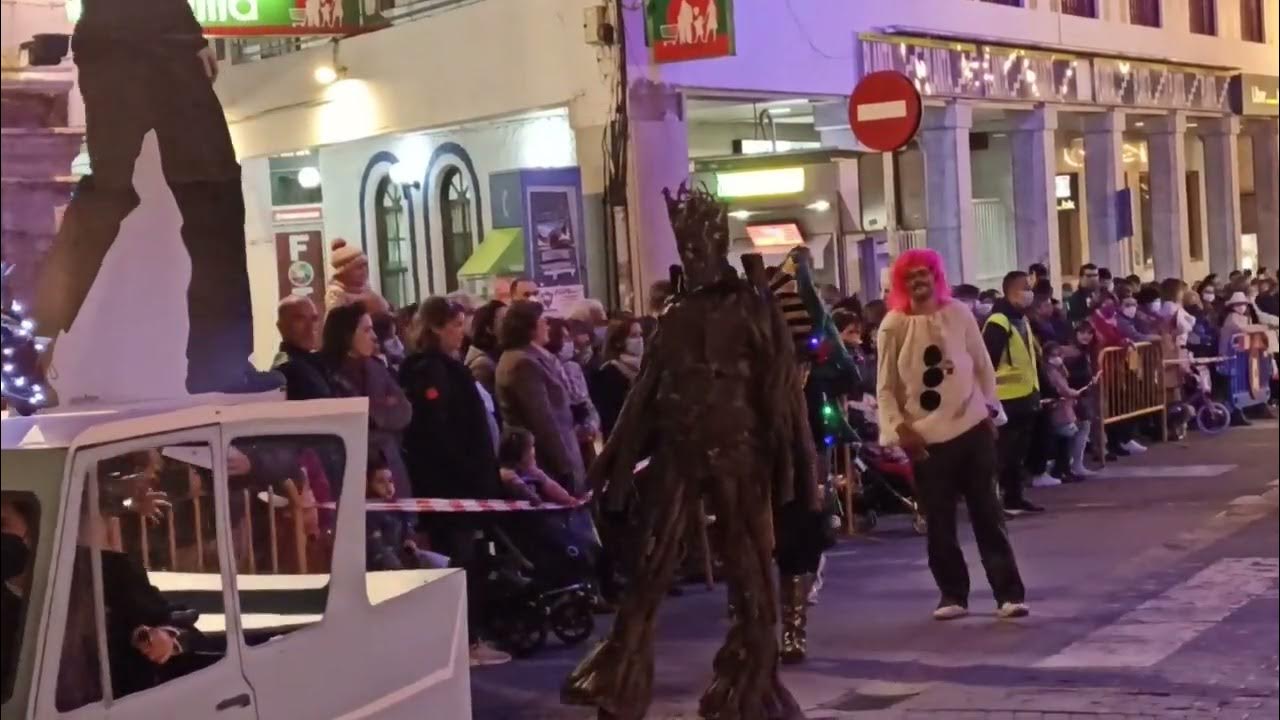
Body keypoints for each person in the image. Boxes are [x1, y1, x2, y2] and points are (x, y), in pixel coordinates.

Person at [31, 0, 272, 395]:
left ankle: (33, 343)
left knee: (107, 195)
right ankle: (219, 364)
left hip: (112, 43)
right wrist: (187, 34)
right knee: (213, 197)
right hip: (160, 45)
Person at [875, 249, 1028, 621]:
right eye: (911, 275)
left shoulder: (959, 314)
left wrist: (989, 410)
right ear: (901, 282)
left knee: (988, 514)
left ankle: (1008, 593)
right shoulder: (893, 326)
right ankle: (952, 595)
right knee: (939, 523)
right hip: (926, 440)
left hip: (971, 428)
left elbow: (982, 366)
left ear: (936, 275)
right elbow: (885, 386)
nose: (919, 280)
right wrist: (900, 429)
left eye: (925, 273)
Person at [397, 298, 510, 666]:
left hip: (464, 485)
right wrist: (468, 474)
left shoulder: (448, 368)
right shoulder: (430, 372)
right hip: (452, 489)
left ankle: (468, 637)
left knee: (469, 561)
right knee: (457, 563)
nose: (461, 334)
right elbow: (438, 432)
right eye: (455, 325)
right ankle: (461, 641)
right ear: (435, 328)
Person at [321, 304, 413, 502]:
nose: (374, 336)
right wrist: (380, 407)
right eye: (366, 330)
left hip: (390, 467)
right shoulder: (326, 373)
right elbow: (344, 418)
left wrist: (371, 413)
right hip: (352, 470)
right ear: (346, 334)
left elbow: (404, 410)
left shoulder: (377, 368)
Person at [495, 301, 587, 496]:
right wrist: (564, 466)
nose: (547, 325)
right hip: (546, 463)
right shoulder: (522, 363)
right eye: (542, 320)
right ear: (529, 326)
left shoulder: (534, 358)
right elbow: (543, 421)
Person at [984, 271, 1046, 515]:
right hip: (1006, 398)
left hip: (1026, 396)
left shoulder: (1022, 319)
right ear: (1011, 291)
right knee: (1004, 455)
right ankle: (998, 502)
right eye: (1025, 287)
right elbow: (987, 362)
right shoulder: (998, 322)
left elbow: (1031, 359)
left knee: (1018, 454)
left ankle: (1015, 498)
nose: (1030, 292)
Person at [547, 318, 601, 467]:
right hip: (566, 441)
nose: (569, 342)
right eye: (564, 337)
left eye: (569, 337)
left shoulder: (573, 367)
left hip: (586, 440)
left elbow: (586, 401)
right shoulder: (547, 370)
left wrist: (591, 424)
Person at [589, 317, 645, 441]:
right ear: (619, 342)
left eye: (640, 334)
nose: (640, 340)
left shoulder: (645, 369)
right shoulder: (608, 373)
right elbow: (609, 419)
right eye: (633, 336)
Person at [272, 296, 335, 401]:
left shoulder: (316, 363)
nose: (310, 327)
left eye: (314, 319)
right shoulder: (285, 369)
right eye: (300, 319)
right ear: (281, 326)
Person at [496, 428, 579, 506]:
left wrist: (567, 499)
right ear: (520, 454)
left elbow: (553, 488)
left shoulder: (533, 473)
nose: (534, 450)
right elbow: (525, 493)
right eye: (531, 447)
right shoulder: (506, 473)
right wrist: (532, 496)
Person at [325, 239, 390, 316]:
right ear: (345, 272)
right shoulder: (336, 294)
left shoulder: (365, 287)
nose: (364, 271)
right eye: (359, 268)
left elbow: (384, 307)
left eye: (365, 266)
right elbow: (338, 323)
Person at [464, 300, 506, 395]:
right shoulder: (482, 365)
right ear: (489, 328)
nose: (511, 324)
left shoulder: (499, 355)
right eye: (504, 320)